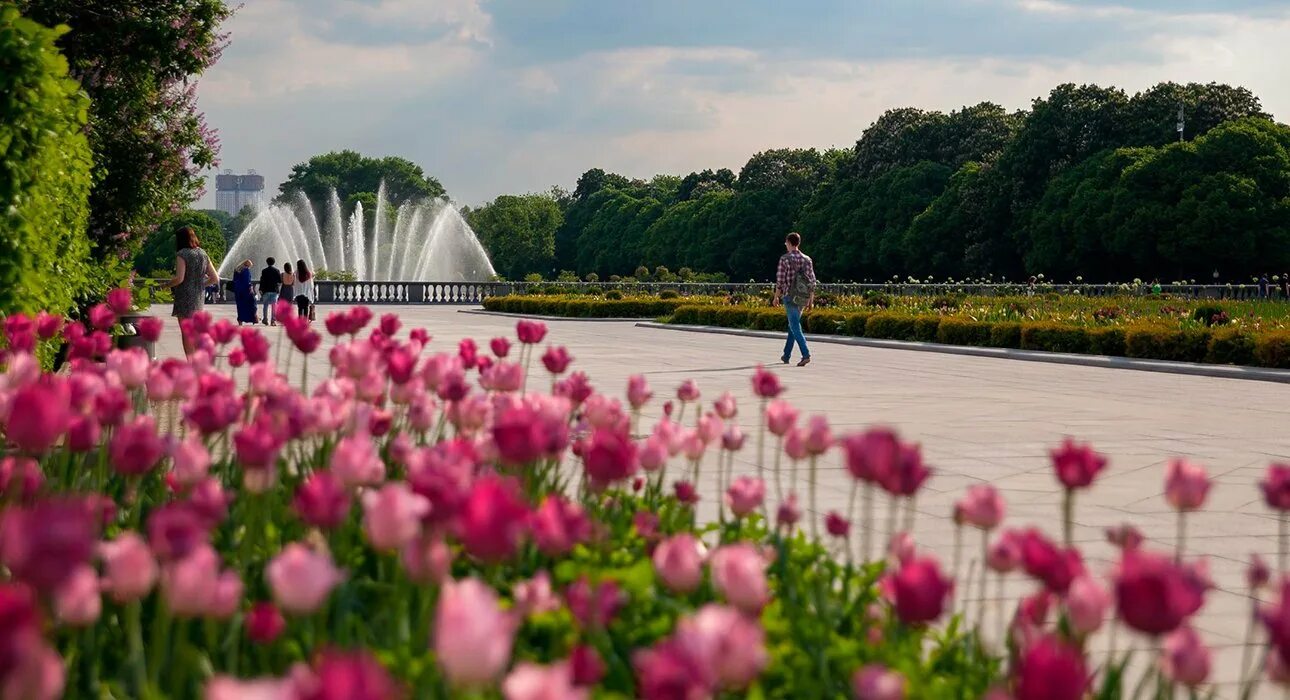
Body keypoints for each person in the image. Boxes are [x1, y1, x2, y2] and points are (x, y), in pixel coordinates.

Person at [165, 226, 219, 356]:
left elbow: (179, 278)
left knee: (186, 332)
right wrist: (200, 285)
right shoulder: (203, 253)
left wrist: (165, 285)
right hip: (198, 298)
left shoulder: (182, 254)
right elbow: (215, 278)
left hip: (184, 296)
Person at [772, 232, 816, 367]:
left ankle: (806, 354)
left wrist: (776, 297)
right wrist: (811, 299)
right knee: (793, 324)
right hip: (803, 297)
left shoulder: (784, 259)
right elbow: (812, 281)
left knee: (795, 326)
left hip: (789, 296)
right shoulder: (807, 259)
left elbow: (780, 280)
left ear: (789, 242)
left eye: (786, 243)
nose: (785, 245)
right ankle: (786, 355)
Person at [232, 259, 257, 325]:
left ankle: (240, 320)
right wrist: (250, 287)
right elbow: (247, 281)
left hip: (238, 290)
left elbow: (234, 279)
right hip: (245, 291)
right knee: (252, 303)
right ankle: (253, 318)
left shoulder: (237, 270)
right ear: (248, 265)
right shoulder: (246, 270)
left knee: (240, 306)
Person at [258, 257, 282, 325]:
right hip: (274, 290)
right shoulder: (276, 270)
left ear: (267, 262)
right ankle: (273, 320)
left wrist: (260, 289)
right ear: (274, 262)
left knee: (265, 306)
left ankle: (265, 319)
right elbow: (279, 281)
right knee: (274, 306)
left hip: (266, 290)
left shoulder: (264, 271)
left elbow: (262, 281)